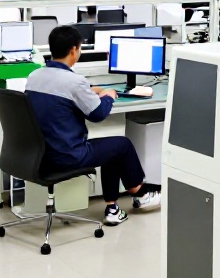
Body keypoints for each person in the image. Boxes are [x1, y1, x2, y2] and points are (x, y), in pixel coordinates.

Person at [27, 25, 160, 226]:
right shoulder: (74, 81)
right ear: (74, 50)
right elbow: (98, 114)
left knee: (112, 147)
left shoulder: (34, 77)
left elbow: (59, 96)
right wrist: (108, 96)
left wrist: (89, 90)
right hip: (68, 156)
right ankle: (139, 193)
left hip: (40, 155)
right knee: (121, 145)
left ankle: (115, 207)